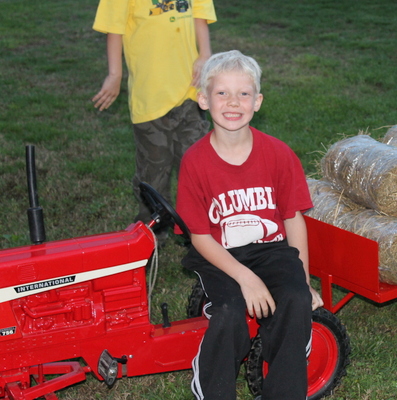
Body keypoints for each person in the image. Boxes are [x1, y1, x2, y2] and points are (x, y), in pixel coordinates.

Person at [175, 50, 324, 400]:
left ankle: (284, 389)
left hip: (270, 249)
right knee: (229, 312)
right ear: (203, 99)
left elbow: (292, 218)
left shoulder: (278, 154)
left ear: (257, 102)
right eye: (222, 93)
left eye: (243, 94)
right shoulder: (195, 162)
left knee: (293, 299)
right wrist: (246, 278)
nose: (233, 102)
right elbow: (199, 236)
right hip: (219, 253)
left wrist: (302, 280)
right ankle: (212, 387)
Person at [91, 0, 217, 243]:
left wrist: (205, 55)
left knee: (197, 165)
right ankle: (152, 233)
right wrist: (115, 74)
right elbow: (114, 29)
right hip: (150, 96)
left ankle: (203, 232)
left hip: (188, 89)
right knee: (154, 169)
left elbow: (199, 14)